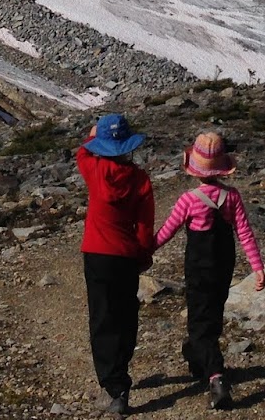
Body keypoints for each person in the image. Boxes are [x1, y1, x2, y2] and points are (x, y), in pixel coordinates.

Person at [153, 131, 265, 411]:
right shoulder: (232, 196)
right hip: (223, 265)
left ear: (194, 169)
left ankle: (216, 376)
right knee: (212, 315)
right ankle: (196, 357)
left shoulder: (188, 199)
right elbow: (245, 233)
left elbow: (167, 231)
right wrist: (257, 267)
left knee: (198, 319)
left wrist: (145, 250)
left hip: (198, 267)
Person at [76, 112, 155, 416]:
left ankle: (114, 385)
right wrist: (144, 254)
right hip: (126, 256)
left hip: (96, 254)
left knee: (102, 317)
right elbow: (145, 226)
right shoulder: (140, 179)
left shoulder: (94, 168)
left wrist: (91, 134)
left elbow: (82, 152)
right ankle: (121, 372)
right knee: (125, 316)